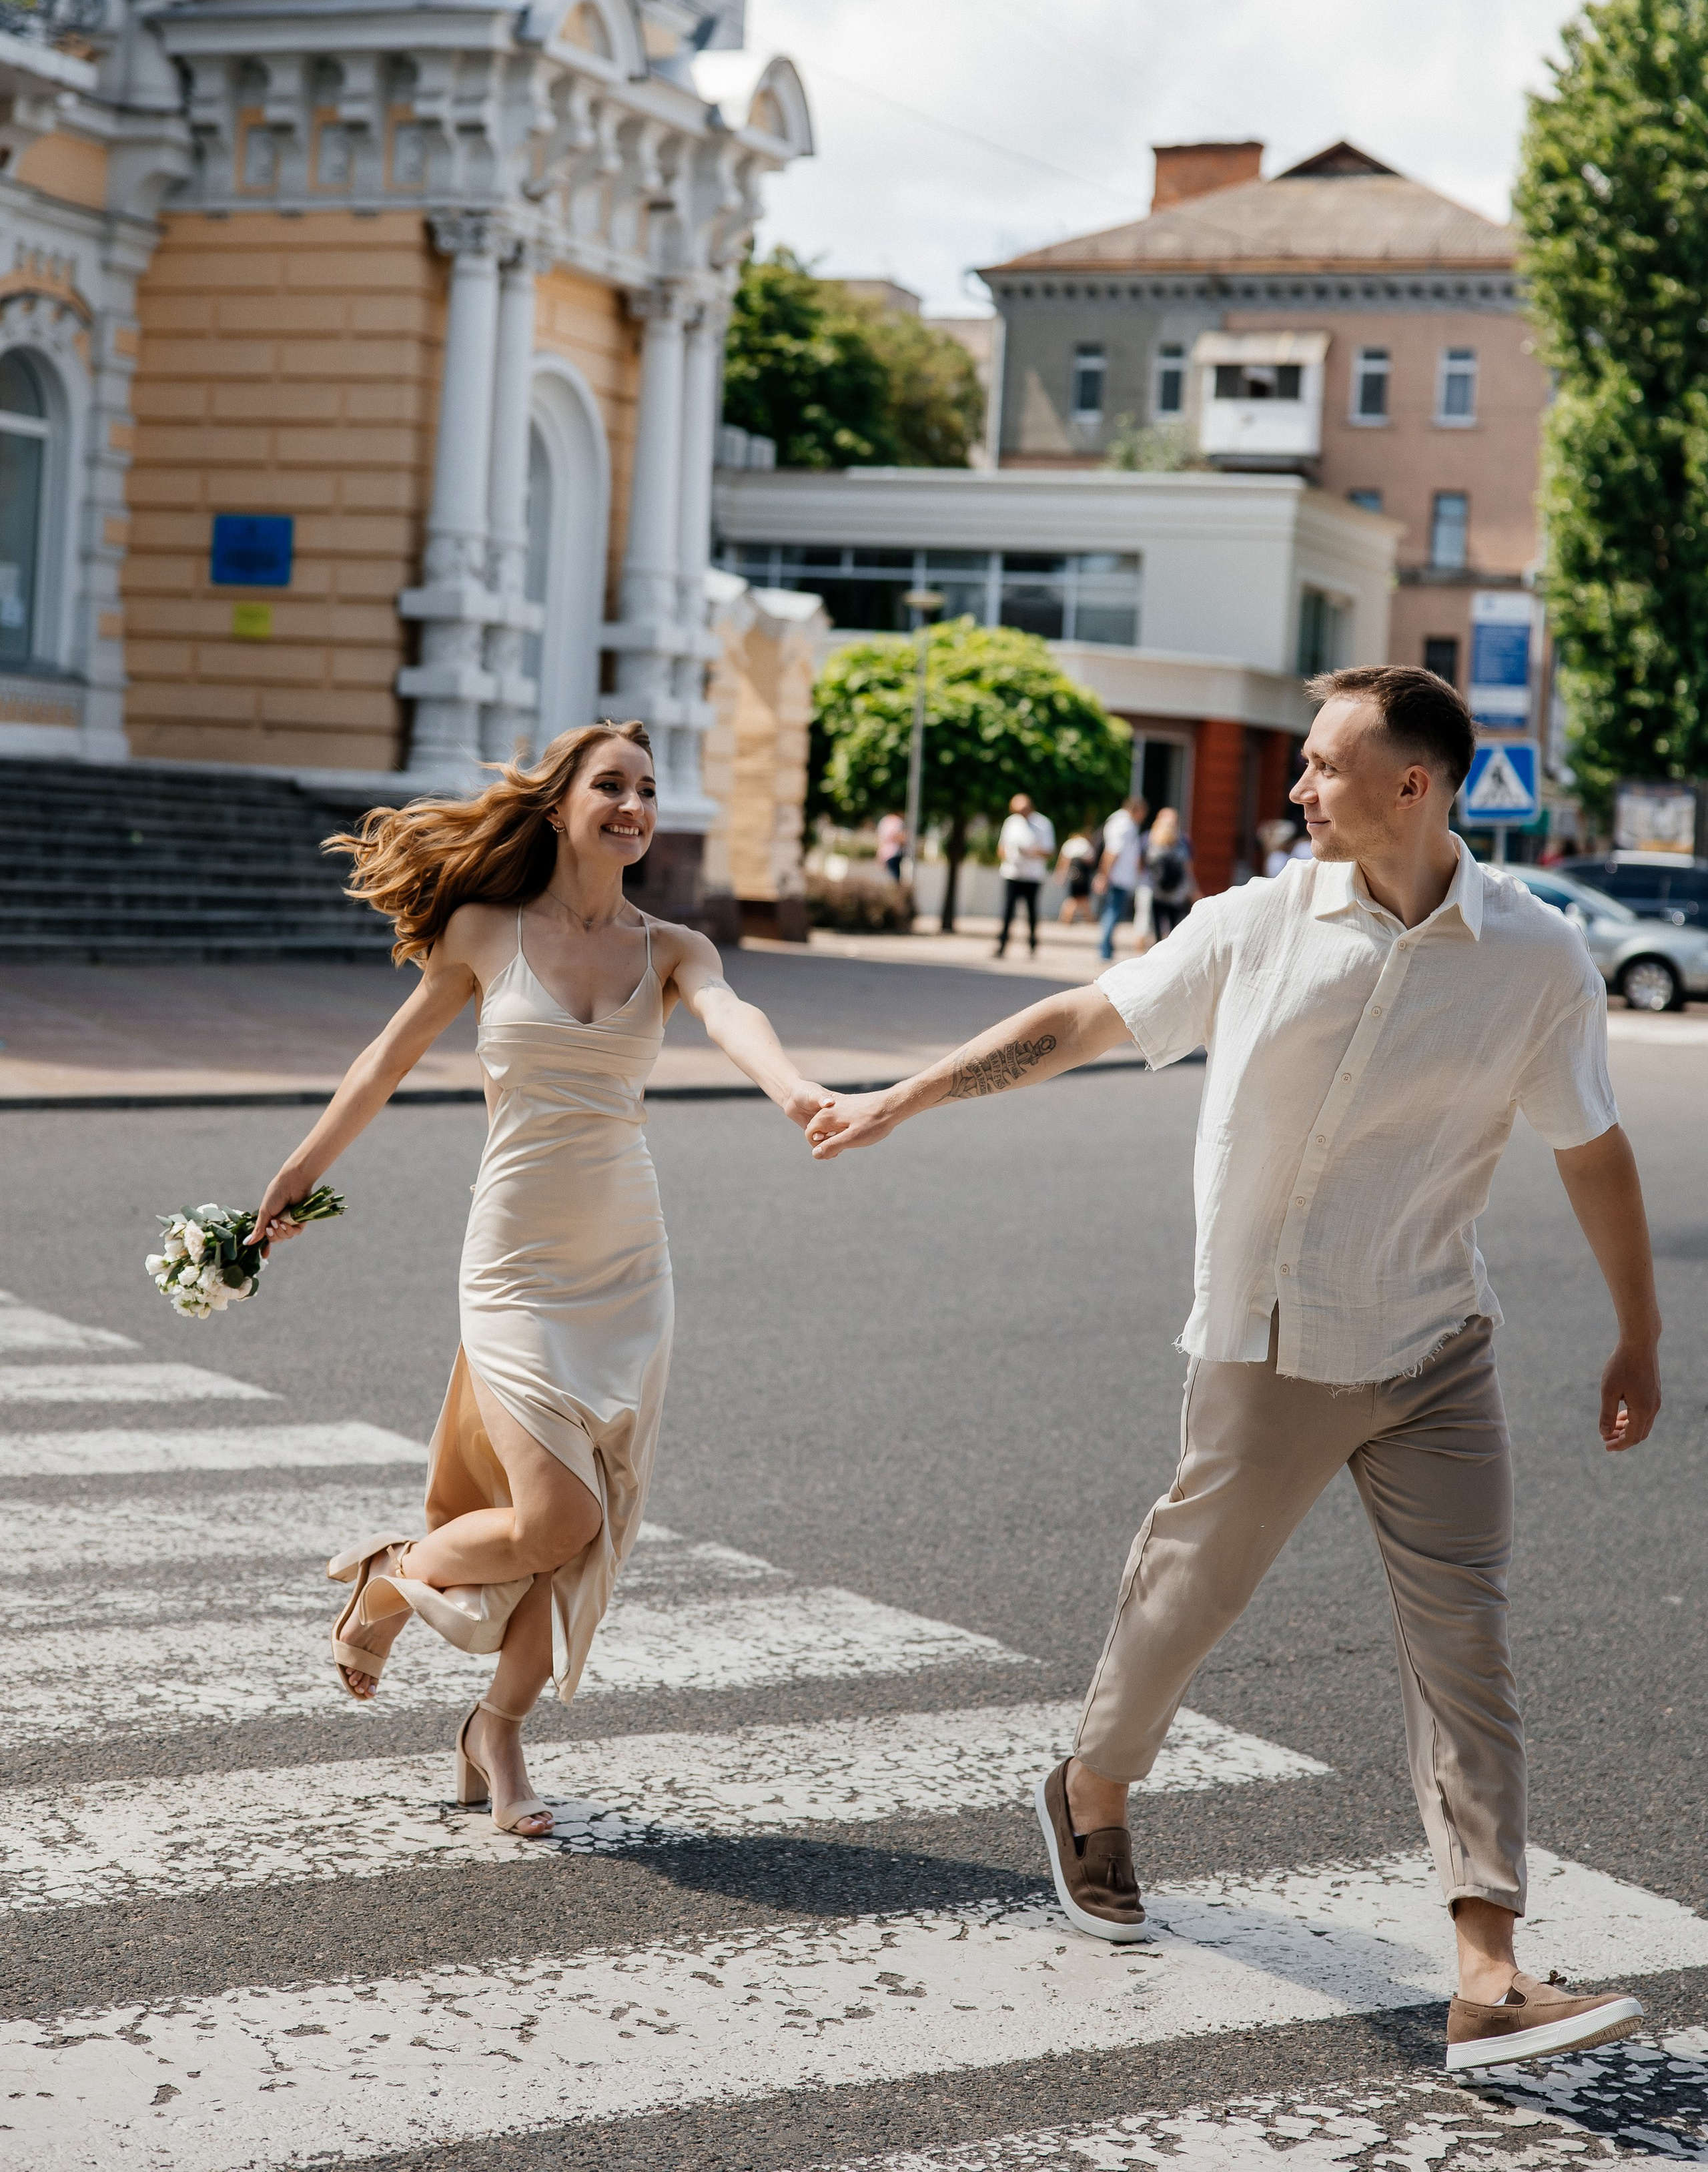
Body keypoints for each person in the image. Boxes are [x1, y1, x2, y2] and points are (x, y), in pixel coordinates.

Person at [805, 663, 1661, 2073]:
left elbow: (1590, 1149)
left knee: (1465, 1646)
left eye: (1325, 765)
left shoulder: (1535, 956)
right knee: (1187, 1592)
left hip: (1438, 1340)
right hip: (1272, 1339)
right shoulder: (1258, 922)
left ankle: (1485, 1967)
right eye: (1303, 763)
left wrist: (1636, 1330)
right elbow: (1083, 1019)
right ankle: (1089, 1786)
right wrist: (906, 1094)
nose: (1298, 785)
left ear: (1414, 785)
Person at [247, 721, 830, 1838]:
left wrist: (796, 1091)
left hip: (626, 1263)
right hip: (514, 1260)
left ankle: (498, 1732)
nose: (634, 805)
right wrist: (298, 1172)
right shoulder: (483, 930)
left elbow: (733, 1016)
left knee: (587, 1523)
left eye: (649, 790)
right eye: (611, 785)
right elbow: (387, 1060)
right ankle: (390, 1581)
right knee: (554, 1514)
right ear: (560, 804)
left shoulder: (671, 949)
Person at [993, 793, 1055, 958]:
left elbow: (1049, 852)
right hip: (1012, 873)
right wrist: (1010, 854)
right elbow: (1001, 848)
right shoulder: (1011, 822)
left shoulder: (1043, 823)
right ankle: (1002, 945)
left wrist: (1031, 852)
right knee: (1007, 912)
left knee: (1032, 912)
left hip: (1033, 875)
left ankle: (1033, 945)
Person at [1094, 793, 1148, 962]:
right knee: (1112, 912)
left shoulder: (1123, 823)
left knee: (1112, 912)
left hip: (1118, 876)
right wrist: (1103, 876)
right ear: (1136, 810)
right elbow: (1112, 852)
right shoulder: (1123, 825)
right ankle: (1105, 949)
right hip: (1117, 877)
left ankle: (1107, 948)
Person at [1143, 807, 1194, 938]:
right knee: (1173, 927)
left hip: (1156, 890)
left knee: (1157, 929)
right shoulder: (1182, 843)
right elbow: (1188, 868)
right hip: (1176, 892)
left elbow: (1143, 863)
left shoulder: (1150, 840)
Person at [1055, 825, 1097, 926]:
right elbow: (1091, 859)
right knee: (1079, 897)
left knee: (1078, 897)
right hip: (1083, 872)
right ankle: (1069, 918)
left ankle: (1081, 918)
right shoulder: (1085, 843)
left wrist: (1060, 874)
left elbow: (1063, 860)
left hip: (1073, 873)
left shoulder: (1069, 844)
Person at [875, 811, 907, 881]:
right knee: (895, 878)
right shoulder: (898, 822)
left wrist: (880, 856)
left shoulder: (884, 821)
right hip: (895, 853)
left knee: (893, 877)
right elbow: (902, 838)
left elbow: (881, 839)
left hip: (887, 854)